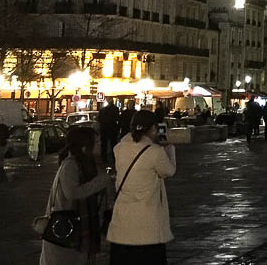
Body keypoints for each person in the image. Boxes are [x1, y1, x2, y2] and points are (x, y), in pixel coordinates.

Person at [37, 125, 113, 265]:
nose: (101, 144)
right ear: (85, 146)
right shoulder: (70, 165)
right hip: (66, 230)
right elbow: (72, 193)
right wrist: (100, 182)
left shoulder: (88, 164)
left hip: (82, 230)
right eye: (97, 142)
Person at [108, 110, 176, 264]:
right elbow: (169, 171)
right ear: (153, 128)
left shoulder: (119, 148)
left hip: (122, 225)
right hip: (147, 227)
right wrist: (169, 149)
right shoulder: (155, 152)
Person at [97, 100, 120, 167]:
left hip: (104, 129)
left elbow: (99, 119)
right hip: (112, 129)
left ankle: (104, 159)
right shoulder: (115, 109)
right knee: (113, 144)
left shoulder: (103, 110)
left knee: (104, 145)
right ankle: (113, 158)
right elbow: (117, 118)